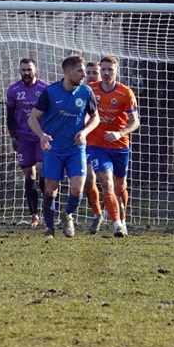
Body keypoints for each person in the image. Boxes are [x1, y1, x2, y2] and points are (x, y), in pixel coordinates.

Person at [28, 56, 99, 239]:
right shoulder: (50, 92)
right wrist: (42, 135)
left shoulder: (86, 92)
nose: (84, 74)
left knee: (77, 188)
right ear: (68, 72)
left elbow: (95, 117)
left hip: (75, 149)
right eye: (80, 71)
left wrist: (84, 132)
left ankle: (67, 214)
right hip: (53, 149)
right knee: (50, 190)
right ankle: (49, 229)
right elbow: (33, 118)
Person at [86, 56, 140, 237]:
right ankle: (117, 225)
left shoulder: (125, 93)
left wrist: (120, 133)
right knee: (106, 184)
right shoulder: (90, 90)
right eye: (104, 69)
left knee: (120, 187)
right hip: (97, 146)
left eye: (111, 70)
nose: (107, 73)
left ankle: (123, 219)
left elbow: (135, 122)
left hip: (120, 146)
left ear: (117, 71)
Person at [6, 58, 50, 227]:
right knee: (28, 175)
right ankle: (34, 215)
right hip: (23, 139)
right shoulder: (14, 90)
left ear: (35, 70)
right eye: (23, 70)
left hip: (41, 136)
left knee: (42, 171)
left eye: (29, 69)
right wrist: (13, 137)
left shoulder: (44, 88)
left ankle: (49, 211)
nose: (26, 73)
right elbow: (9, 115)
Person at [83, 61, 104, 231]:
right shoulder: (80, 91)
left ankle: (120, 217)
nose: (91, 76)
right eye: (88, 72)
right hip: (86, 143)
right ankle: (97, 214)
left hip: (106, 143)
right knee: (89, 180)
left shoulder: (106, 91)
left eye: (94, 72)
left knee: (113, 183)